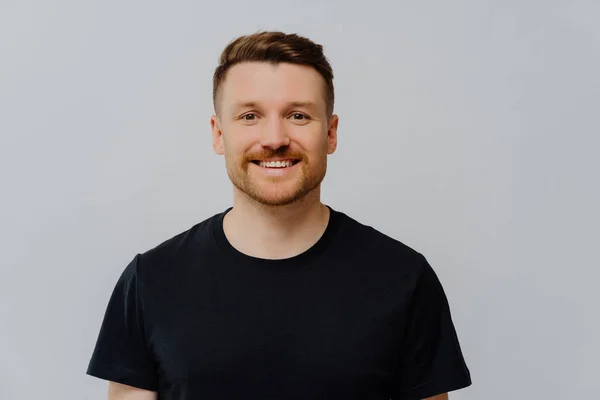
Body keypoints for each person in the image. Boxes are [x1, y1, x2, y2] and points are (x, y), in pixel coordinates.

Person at [86, 31, 472, 400]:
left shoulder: (404, 278)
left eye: (298, 116)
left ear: (331, 133)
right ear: (219, 134)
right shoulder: (151, 280)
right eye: (250, 116)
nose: (274, 138)